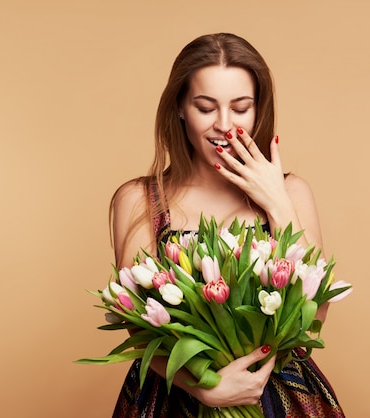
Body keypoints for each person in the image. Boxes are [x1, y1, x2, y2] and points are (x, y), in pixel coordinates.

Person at [110, 33, 344, 418]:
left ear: (258, 109)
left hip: (274, 393)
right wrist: (206, 388)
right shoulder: (139, 201)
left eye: (240, 108)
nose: (224, 125)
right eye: (205, 107)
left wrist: (277, 203)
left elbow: (313, 318)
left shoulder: (292, 191)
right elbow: (139, 329)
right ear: (181, 108)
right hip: (173, 397)